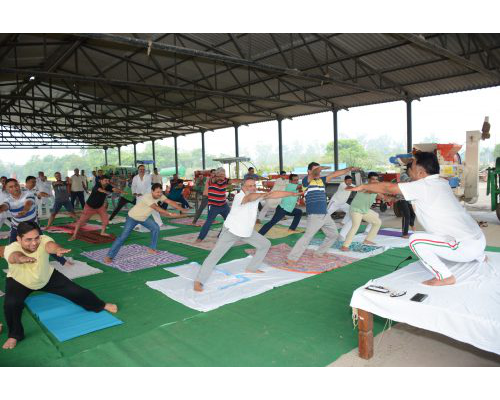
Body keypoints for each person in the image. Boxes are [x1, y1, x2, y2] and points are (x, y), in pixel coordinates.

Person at [347, 151, 486, 287]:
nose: (409, 171)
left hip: (465, 248)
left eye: (411, 167)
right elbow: (409, 195)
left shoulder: (423, 186)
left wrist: (363, 186)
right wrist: (392, 197)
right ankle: (480, 257)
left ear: (420, 172)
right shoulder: (441, 182)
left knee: (416, 241)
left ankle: (445, 277)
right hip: (479, 242)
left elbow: (389, 187)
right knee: (446, 232)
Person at [1, 221, 117, 350]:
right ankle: (14, 335)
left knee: (77, 291)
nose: (34, 243)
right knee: (11, 305)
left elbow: (50, 245)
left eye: (36, 238)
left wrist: (58, 249)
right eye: (28, 240)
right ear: (19, 239)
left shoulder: (43, 239)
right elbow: (14, 257)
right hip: (20, 281)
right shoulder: (12, 247)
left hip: (46, 276)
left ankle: (100, 305)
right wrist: (21, 258)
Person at [193, 178, 300, 292]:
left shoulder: (256, 196)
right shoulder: (239, 196)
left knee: (265, 244)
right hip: (231, 231)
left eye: (253, 185)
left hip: (246, 232)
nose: (252, 187)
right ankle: (199, 281)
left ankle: (252, 268)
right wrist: (262, 194)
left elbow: (273, 194)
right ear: (243, 187)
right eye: (249, 186)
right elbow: (249, 198)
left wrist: (292, 194)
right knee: (215, 256)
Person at [286, 163, 359, 266]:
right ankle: (292, 258)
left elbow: (335, 173)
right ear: (309, 172)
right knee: (307, 237)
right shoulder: (306, 181)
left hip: (325, 214)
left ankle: (319, 253)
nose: (318, 172)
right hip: (315, 215)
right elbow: (314, 174)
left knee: (333, 235)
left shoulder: (321, 180)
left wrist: (349, 169)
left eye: (319, 170)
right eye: (316, 170)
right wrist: (321, 168)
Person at [104, 183, 187, 264]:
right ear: (152, 191)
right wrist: (170, 214)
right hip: (132, 217)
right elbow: (156, 208)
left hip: (143, 218)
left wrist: (181, 209)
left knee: (155, 228)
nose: (159, 194)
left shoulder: (160, 195)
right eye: (157, 192)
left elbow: (170, 201)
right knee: (123, 237)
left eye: (161, 192)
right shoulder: (147, 197)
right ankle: (109, 256)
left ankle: (152, 249)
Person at [1, 178, 71, 266]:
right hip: (17, 227)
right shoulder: (8, 201)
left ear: (19, 185)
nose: (14, 188)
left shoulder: (28, 194)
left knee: (45, 243)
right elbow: (4, 207)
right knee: (11, 248)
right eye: (10, 187)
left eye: (16, 185)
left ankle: (63, 261)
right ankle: (14, 266)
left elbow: (28, 203)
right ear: (7, 189)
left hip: (33, 227)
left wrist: (25, 211)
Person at [339, 172, 387, 251]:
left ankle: (368, 240)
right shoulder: (364, 187)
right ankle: (345, 246)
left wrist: (387, 197)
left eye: (376, 179)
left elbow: (381, 195)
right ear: (368, 180)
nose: (375, 181)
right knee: (355, 226)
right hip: (356, 210)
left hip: (364, 210)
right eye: (373, 179)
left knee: (377, 222)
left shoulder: (376, 188)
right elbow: (372, 191)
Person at [69, 175, 123, 241]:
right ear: (101, 181)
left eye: (108, 180)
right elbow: (100, 190)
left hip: (100, 207)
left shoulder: (108, 186)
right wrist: (105, 192)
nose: (107, 182)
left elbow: (114, 189)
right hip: (89, 207)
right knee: (81, 222)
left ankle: (102, 232)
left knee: (106, 221)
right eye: (105, 180)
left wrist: (121, 191)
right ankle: (74, 235)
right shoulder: (97, 185)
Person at [196, 168, 242, 242]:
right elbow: (215, 179)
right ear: (217, 174)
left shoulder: (225, 180)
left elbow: (234, 180)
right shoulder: (211, 180)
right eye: (221, 174)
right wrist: (219, 176)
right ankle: (200, 238)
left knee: (230, 220)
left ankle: (220, 235)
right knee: (208, 222)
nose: (223, 176)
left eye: (224, 174)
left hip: (224, 205)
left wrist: (245, 180)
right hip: (214, 206)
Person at [397, 162, 416, 238]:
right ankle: (404, 234)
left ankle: (412, 224)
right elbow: (409, 180)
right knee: (406, 215)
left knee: (413, 214)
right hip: (402, 198)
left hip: (409, 198)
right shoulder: (403, 175)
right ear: (409, 169)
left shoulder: (413, 175)